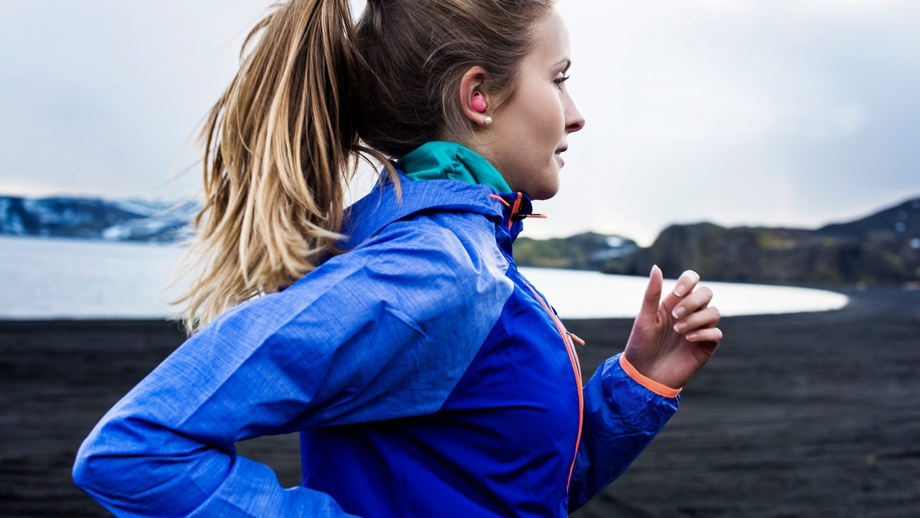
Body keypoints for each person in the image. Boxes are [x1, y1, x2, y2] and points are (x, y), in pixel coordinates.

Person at [72, 0, 723, 516]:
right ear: (478, 96)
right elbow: (137, 450)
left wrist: (641, 379)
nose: (576, 116)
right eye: (558, 80)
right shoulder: (431, 272)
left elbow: (516, 486)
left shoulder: (468, 261)